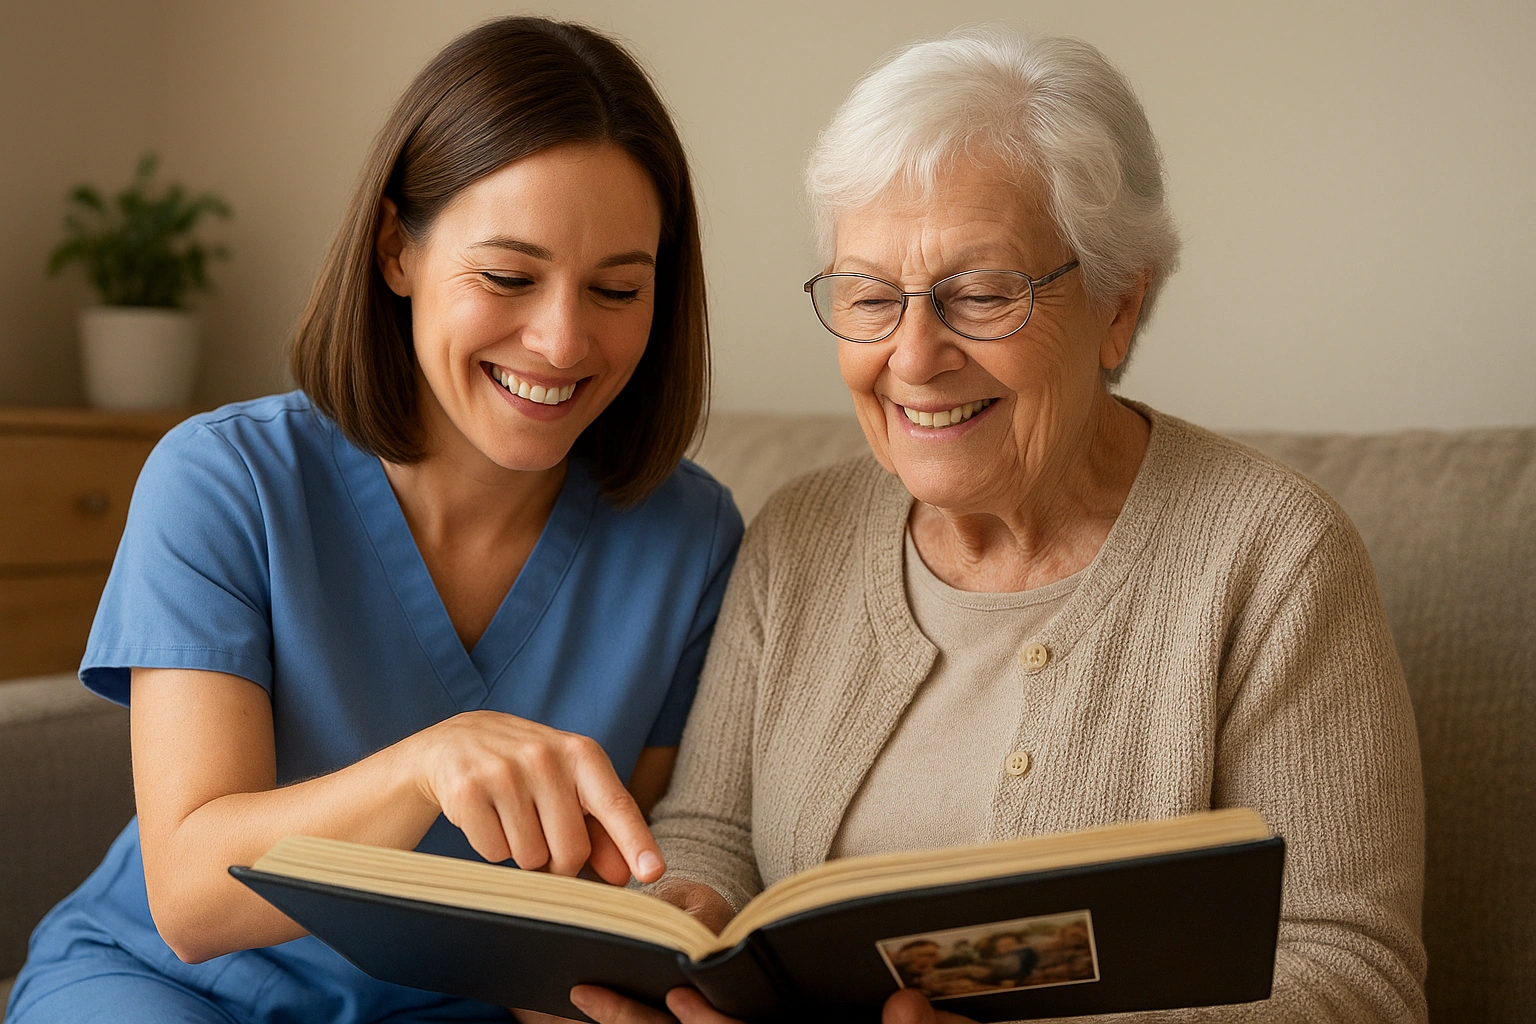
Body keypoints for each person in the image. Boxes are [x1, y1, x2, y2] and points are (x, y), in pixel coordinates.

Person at [574, 26, 1425, 1024]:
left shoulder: (1274, 557)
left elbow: (1358, 976)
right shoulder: (798, 535)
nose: (915, 355)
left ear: (1117, 305)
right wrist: (686, 921)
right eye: (871, 296)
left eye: (980, 295)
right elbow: (713, 827)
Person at [5, 17, 741, 1024]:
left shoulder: (691, 539)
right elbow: (189, 894)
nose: (564, 339)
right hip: (168, 985)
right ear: (397, 249)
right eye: (509, 276)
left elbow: (606, 893)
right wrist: (430, 762)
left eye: (618, 287)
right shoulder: (225, 480)